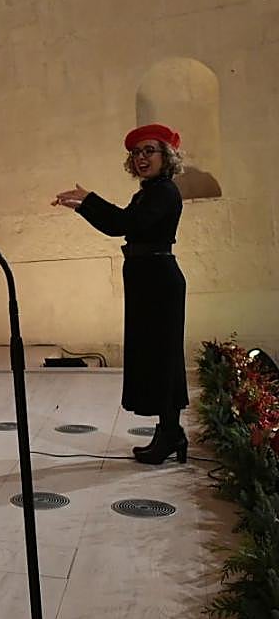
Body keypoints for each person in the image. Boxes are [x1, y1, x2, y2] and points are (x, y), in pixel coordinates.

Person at [53, 123, 189, 464]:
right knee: (155, 355)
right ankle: (169, 430)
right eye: (136, 153)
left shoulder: (165, 191)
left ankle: (171, 432)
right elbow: (122, 224)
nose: (141, 158)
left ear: (166, 156)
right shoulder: (148, 191)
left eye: (149, 151)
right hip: (147, 277)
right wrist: (85, 206)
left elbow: (126, 224)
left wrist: (89, 202)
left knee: (163, 357)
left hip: (158, 279)